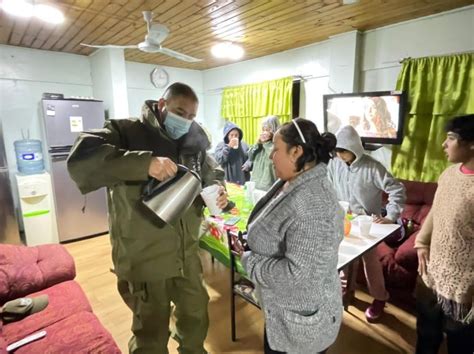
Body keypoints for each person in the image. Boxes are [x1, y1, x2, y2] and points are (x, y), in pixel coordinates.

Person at [67, 82, 230, 354]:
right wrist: (145, 164)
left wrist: (218, 188)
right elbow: (81, 160)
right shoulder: (125, 132)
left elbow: (211, 171)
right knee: (150, 335)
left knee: (196, 317)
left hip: (187, 253)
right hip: (145, 256)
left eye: (191, 116)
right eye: (180, 112)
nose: (185, 121)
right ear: (162, 104)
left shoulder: (193, 143)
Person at [237, 118, 343, 354]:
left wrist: (249, 260)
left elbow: (298, 277)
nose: (271, 155)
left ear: (296, 151)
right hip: (282, 313)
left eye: (276, 149)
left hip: (300, 326)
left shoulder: (313, 204)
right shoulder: (292, 181)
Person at [327, 125, 406, 322]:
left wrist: (391, 214)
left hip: (367, 224)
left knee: (370, 262)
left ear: (354, 148)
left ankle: (380, 298)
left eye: (342, 151)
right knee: (342, 260)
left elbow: (397, 189)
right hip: (343, 220)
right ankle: (345, 292)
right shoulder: (335, 164)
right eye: (337, 151)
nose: (339, 155)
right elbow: (328, 186)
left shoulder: (372, 167)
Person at [414, 114, 474, 354]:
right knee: (426, 336)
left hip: (464, 289)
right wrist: (421, 242)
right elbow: (436, 212)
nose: (443, 144)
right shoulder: (448, 174)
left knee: (460, 345)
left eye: (451, 138)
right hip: (431, 275)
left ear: (471, 143)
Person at [242, 115, 280, 191]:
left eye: (268, 130)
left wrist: (266, 144)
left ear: (274, 130)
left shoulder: (277, 145)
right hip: (255, 186)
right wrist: (258, 143)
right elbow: (250, 156)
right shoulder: (260, 145)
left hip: (268, 188)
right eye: (263, 130)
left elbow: (273, 157)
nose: (264, 132)